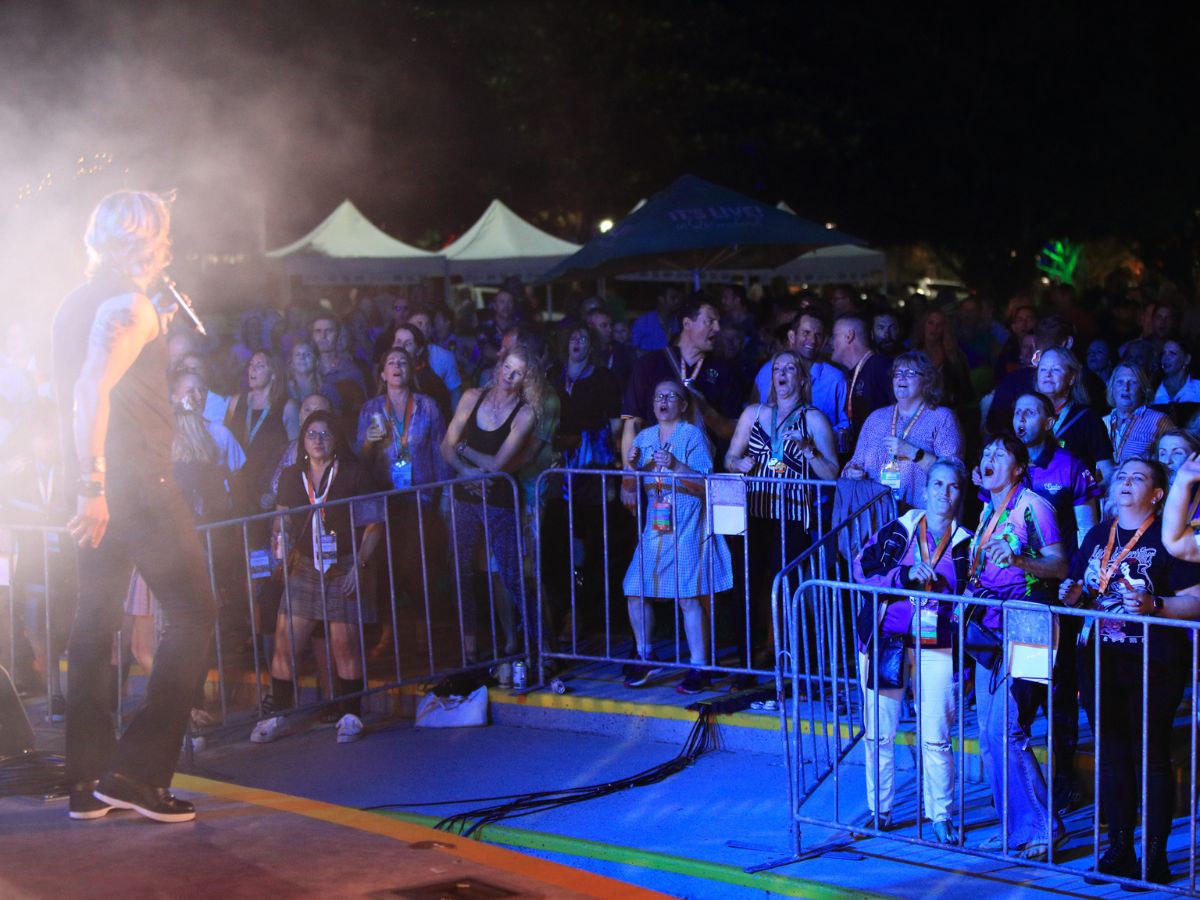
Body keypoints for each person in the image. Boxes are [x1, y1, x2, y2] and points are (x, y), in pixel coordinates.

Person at [53, 189, 214, 822]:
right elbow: (89, 390)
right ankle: (138, 774)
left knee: (95, 622)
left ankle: (87, 779)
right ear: (150, 241)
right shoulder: (129, 304)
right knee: (195, 611)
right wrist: (94, 488)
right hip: (136, 487)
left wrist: (84, 485)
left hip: (101, 486)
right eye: (164, 233)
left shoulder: (75, 302)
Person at [1061, 458, 1200, 884]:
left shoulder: (1170, 538)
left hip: (1153, 662)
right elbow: (1082, 587)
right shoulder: (1099, 534)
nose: (1125, 482)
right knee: (1113, 753)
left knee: (1151, 756)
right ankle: (1119, 846)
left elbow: (1195, 600)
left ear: (1158, 494)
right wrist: (1074, 594)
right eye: (1121, 475)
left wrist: (1155, 606)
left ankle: (1154, 855)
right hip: (1100, 660)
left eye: (1137, 478)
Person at [852, 458, 971, 843]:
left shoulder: (967, 542)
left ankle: (940, 814)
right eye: (937, 484)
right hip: (887, 640)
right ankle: (880, 811)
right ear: (924, 490)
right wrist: (904, 576)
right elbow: (861, 569)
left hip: (936, 646)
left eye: (952, 486)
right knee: (879, 731)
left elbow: (974, 593)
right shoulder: (899, 529)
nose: (943, 493)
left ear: (959, 494)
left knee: (935, 733)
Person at [250, 410, 383, 745]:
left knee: (344, 645)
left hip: (343, 564)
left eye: (325, 433)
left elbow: (373, 524)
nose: (319, 439)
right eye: (312, 433)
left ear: (335, 439)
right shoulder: (293, 476)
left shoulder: (353, 472)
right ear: (303, 441)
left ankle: (351, 715)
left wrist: (360, 565)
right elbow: (282, 518)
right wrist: (280, 541)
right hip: (305, 565)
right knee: (285, 644)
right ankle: (279, 713)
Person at [968, 435, 1068, 860]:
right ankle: (1015, 829)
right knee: (989, 738)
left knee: (1008, 727)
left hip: (1030, 622)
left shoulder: (1034, 506)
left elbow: (1062, 564)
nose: (990, 457)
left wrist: (1020, 561)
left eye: (1000, 454)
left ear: (1019, 467)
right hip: (990, 628)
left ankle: (1046, 825)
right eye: (986, 451)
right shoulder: (987, 510)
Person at [726, 351, 838, 684]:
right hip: (755, 512)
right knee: (746, 588)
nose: (783, 373)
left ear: (802, 379)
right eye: (777, 368)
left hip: (792, 515)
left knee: (786, 588)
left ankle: (795, 668)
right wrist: (736, 464)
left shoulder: (814, 419)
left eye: (791, 368)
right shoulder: (754, 413)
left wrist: (809, 451)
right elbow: (731, 455)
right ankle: (746, 665)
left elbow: (832, 474)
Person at [622, 379, 733, 694]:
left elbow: (704, 485)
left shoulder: (692, 435)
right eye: (658, 395)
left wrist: (676, 465)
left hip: (686, 526)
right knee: (634, 589)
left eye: (671, 396)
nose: (663, 400)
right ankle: (645, 654)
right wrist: (630, 470)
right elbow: (629, 490)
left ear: (683, 405)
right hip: (656, 530)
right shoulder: (644, 437)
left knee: (688, 597)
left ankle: (700, 666)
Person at [440, 345, 541, 662]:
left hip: (499, 499)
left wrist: (466, 453)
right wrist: (464, 471)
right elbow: (446, 446)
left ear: (526, 379)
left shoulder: (525, 414)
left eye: (517, 373)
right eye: (506, 368)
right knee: (460, 571)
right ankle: (469, 646)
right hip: (465, 494)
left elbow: (498, 464)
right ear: (498, 366)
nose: (508, 377)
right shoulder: (472, 397)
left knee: (512, 573)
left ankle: (540, 646)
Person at [357, 348, 451, 655]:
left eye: (402, 362)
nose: (396, 366)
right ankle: (388, 633)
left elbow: (440, 454)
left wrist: (443, 498)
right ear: (382, 373)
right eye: (390, 362)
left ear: (412, 370)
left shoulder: (428, 407)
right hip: (383, 499)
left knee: (418, 566)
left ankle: (424, 633)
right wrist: (369, 445)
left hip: (418, 498)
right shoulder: (371, 408)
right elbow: (360, 462)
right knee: (384, 568)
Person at [620, 293, 740, 478]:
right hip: (654, 479)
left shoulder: (723, 370)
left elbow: (732, 431)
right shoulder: (650, 363)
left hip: (702, 477)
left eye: (718, 322)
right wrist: (629, 478)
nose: (717, 328)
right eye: (709, 321)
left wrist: (706, 411)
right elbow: (632, 423)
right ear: (687, 324)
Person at [843, 351, 964, 511]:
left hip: (920, 518)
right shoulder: (876, 418)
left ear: (927, 381)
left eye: (910, 373)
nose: (901, 377)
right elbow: (854, 463)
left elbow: (954, 472)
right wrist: (852, 472)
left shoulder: (941, 417)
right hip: (877, 517)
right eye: (897, 373)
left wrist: (912, 452)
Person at [752, 311, 849, 441]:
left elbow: (845, 428)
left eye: (818, 335)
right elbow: (753, 413)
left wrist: (815, 439)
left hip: (817, 457)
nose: (812, 340)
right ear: (792, 336)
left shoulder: (835, 379)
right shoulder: (767, 371)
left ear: (824, 341)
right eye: (806, 333)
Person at [225, 351, 296, 515]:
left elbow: (294, 454)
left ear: (273, 374)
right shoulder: (236, 402)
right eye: (251, 365)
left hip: (267, 488)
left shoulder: (287, 407)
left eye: (260, 366)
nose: (252, 370)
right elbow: (225, 441)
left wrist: (276, 490)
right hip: (239, 484)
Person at [1034, 347, 1113, 479]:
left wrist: (1088, 495)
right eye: (1043, 369)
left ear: (1071, 378)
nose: (1048, 374)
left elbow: (1108, 473)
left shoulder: (1087, 419)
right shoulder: (1025, 416)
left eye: (1056, 369)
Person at [830, 313, 894, 448]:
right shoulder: (852, 373)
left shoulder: (880, 367)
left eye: (834, 336)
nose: (830, 342)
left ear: (849, 336)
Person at [1102, 364, 1172, 473]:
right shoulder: (1101, 422)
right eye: (1120, 382)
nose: (1126, 388)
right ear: (1112, 388)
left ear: (1143, 389)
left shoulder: (1160, 421)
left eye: (1133, 382)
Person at [285, 339, 341, 413]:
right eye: (297, 354)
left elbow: (337, 418)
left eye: (307, 354)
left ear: (316, 362)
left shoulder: (328, 390)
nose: (302, 357)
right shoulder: (283, 389)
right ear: (291, 362)